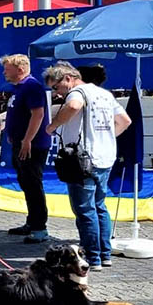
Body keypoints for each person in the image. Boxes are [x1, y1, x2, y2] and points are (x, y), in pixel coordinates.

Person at [44, 62, 131, 272]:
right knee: (100, 206)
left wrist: (54, 125)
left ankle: (93, 257)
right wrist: (108, 137)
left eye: (56, 87)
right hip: (105, 156)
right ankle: (105, 253)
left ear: (68, 78)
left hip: (83, 159)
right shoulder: (104, 94)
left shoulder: (77, 92)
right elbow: (125, 121)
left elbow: (74, 106)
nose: (56, 93)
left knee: (85, 210)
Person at [1, 54, 52, 243]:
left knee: (33, 184)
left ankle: (40, 228)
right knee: (26, 183)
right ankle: (32, 222)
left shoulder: (31, 86)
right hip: (21, 143)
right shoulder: (19, 88)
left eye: (8, 68)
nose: (4, 71)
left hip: (32, 145)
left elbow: (38, 114)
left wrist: (28, 140)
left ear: (20, 69)